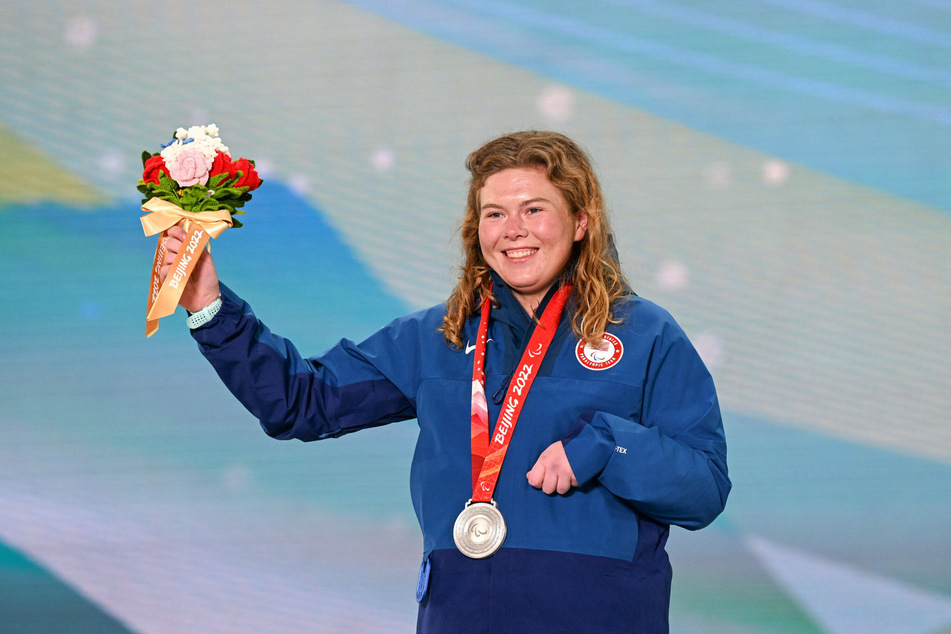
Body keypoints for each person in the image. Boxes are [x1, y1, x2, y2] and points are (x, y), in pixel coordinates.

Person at [160, 131, 730, 632]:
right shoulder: (438, 336)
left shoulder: (643, 333)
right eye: (494, 214)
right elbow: (300, 403)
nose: (513, 232)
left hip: (597, 617)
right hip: (461, 614)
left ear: (581, 222)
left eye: (534, 209)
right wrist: (209, 304)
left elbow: (703, 490)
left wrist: (609, 444)